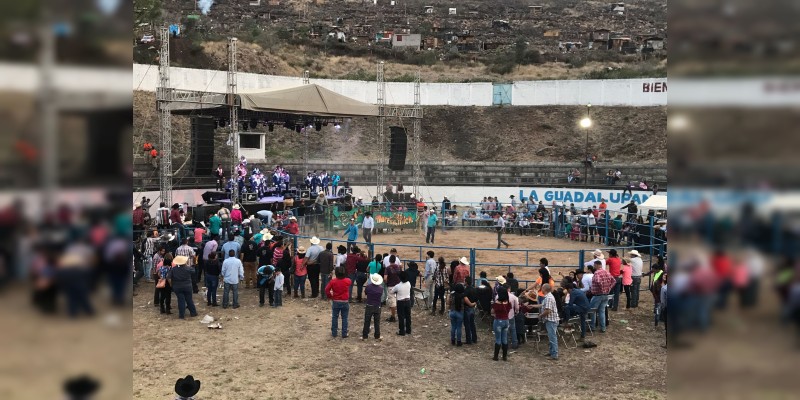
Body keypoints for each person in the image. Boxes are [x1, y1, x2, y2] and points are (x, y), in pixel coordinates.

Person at [588, 261, 616, 332]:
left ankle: (592, 327)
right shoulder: (606, 272)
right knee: (602, 311)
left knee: (592, 311)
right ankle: (603, 328)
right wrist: (609, 288)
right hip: (605, 294)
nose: (594, 267)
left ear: (596, 265)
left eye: (594, 265)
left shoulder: (597, 273)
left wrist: (602, 289)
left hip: (598, 295)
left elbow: (598, 281)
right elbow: (614, 281)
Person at [168, 255, 197, 320]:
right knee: (189, 299)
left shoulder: (173, 269)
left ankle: (181, 315)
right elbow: (193, 271)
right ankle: (193, 313)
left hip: (177, 286)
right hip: (187, 286)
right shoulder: (188, 268)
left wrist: (171, 284)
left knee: (181, 300)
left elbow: (168, 277)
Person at [325, 268, 352, 338]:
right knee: (345, 318)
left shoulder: (333, 281)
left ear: (336, 274)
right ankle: (344, 333)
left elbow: (327, 289)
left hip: (336, 301)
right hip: (345, 301)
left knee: (335, 317)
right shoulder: (348, 281)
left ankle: (334, 333)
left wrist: (330, 296)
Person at [562, 277, 590, 341]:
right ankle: (583, 336)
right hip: (586, 307)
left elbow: (570, 304)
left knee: (566, 308)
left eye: (568, 291)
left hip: (582, 307)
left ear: (569, 289)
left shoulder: (573, 293)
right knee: (583, 321)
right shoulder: (578, 290)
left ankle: (568, 321)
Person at [539, 283, 559, 360]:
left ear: (544, 289)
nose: (541, 289)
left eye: (542, 288)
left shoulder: (549, 298)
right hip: (551, 320)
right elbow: (543, 306)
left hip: (551, 320)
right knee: (551, 337)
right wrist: (533, 306)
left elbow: (548, 310)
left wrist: (541, 315)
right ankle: (552, 352)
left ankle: (554, 354)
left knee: (552, 337)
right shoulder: (548, 297)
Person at [362, 273, 384, 340]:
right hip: (377, 306)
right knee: (377, 322)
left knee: (367, 321)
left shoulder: (368, 287)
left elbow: (366, 293)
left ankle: (365, 336)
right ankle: (377, 336)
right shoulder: (381, 288)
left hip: (369, 305)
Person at [491, 289, 512, 361]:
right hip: (506, 321)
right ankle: (504, 356)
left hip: (498, 321)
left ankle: (496, 356)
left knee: (498, 339)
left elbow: (492, 311)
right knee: (504, 339)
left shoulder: (497, 303)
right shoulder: (508, 302)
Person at [392, 271, 413, 336]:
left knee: (401, 317)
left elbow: (392, 291)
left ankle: (402, 331)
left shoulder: (398, 286)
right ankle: (408, 330)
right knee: (408, 316)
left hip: (400, 302)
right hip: (408, 301)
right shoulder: (408, 283)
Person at [384, 255, 401, 322]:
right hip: (398, 285)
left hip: (391, 285)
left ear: (389, 260)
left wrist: (386, 283)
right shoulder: (398, 267)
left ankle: (393, 316)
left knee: (392, 301)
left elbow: (385, 278)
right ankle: (400, 315)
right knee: (399, 300)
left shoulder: (388, 268)